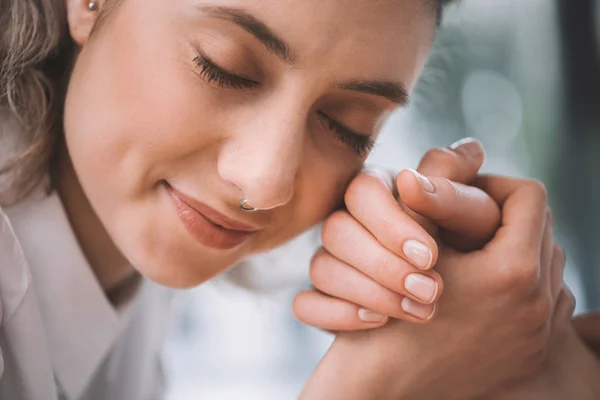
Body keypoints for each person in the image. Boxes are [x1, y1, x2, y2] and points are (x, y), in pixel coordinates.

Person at [0, 0, 591, 399]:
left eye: (346, 126)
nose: (265, 182)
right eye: (223, 69)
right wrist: (377, 383)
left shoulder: (126, 270)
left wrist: (528, 360)